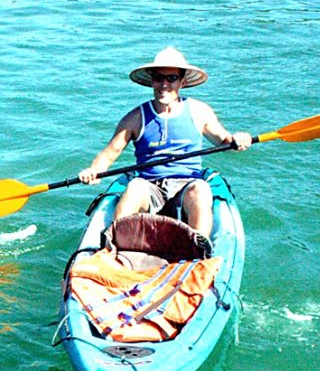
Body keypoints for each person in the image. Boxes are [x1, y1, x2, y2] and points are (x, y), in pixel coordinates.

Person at [78, 47, 253, 243]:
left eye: (171, 78)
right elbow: (110, 153)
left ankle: (198, 249)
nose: (164, 85)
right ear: (151, 80)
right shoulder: (136, 117)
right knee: (134, 186)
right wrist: (93, 171)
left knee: (202, 189)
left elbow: (224, 140)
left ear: (182, 82)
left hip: (186, 186)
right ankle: (114, 245)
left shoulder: (199, 111)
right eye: (159, 78)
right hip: (149, 188)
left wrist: (239, 139)